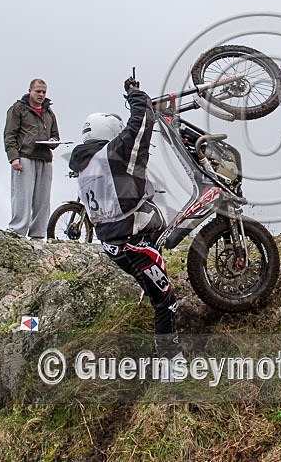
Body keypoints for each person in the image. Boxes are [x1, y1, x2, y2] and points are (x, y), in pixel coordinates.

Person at [68, 80, 180, 357]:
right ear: (109, 132)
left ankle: (145, 285)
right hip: (132, 243)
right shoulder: (112, 155)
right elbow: (141, 122)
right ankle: (170, 363)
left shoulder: (85, 165)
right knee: (166, 302)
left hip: (114, 244)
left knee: (156, 227)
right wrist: (135, 94)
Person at [3, 78, 60, 238]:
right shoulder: (18, 109)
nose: (41, 95)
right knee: (22, 197)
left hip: (45, 158)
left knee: (43, 200)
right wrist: (13, 157)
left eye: (44, 92)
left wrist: (53, 142)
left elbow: (55, 134)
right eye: (38, 91)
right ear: (30, 91)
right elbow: (10, 134)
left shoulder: (49, 112)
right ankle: (17, 231)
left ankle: (38, 234)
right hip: (25, 157)